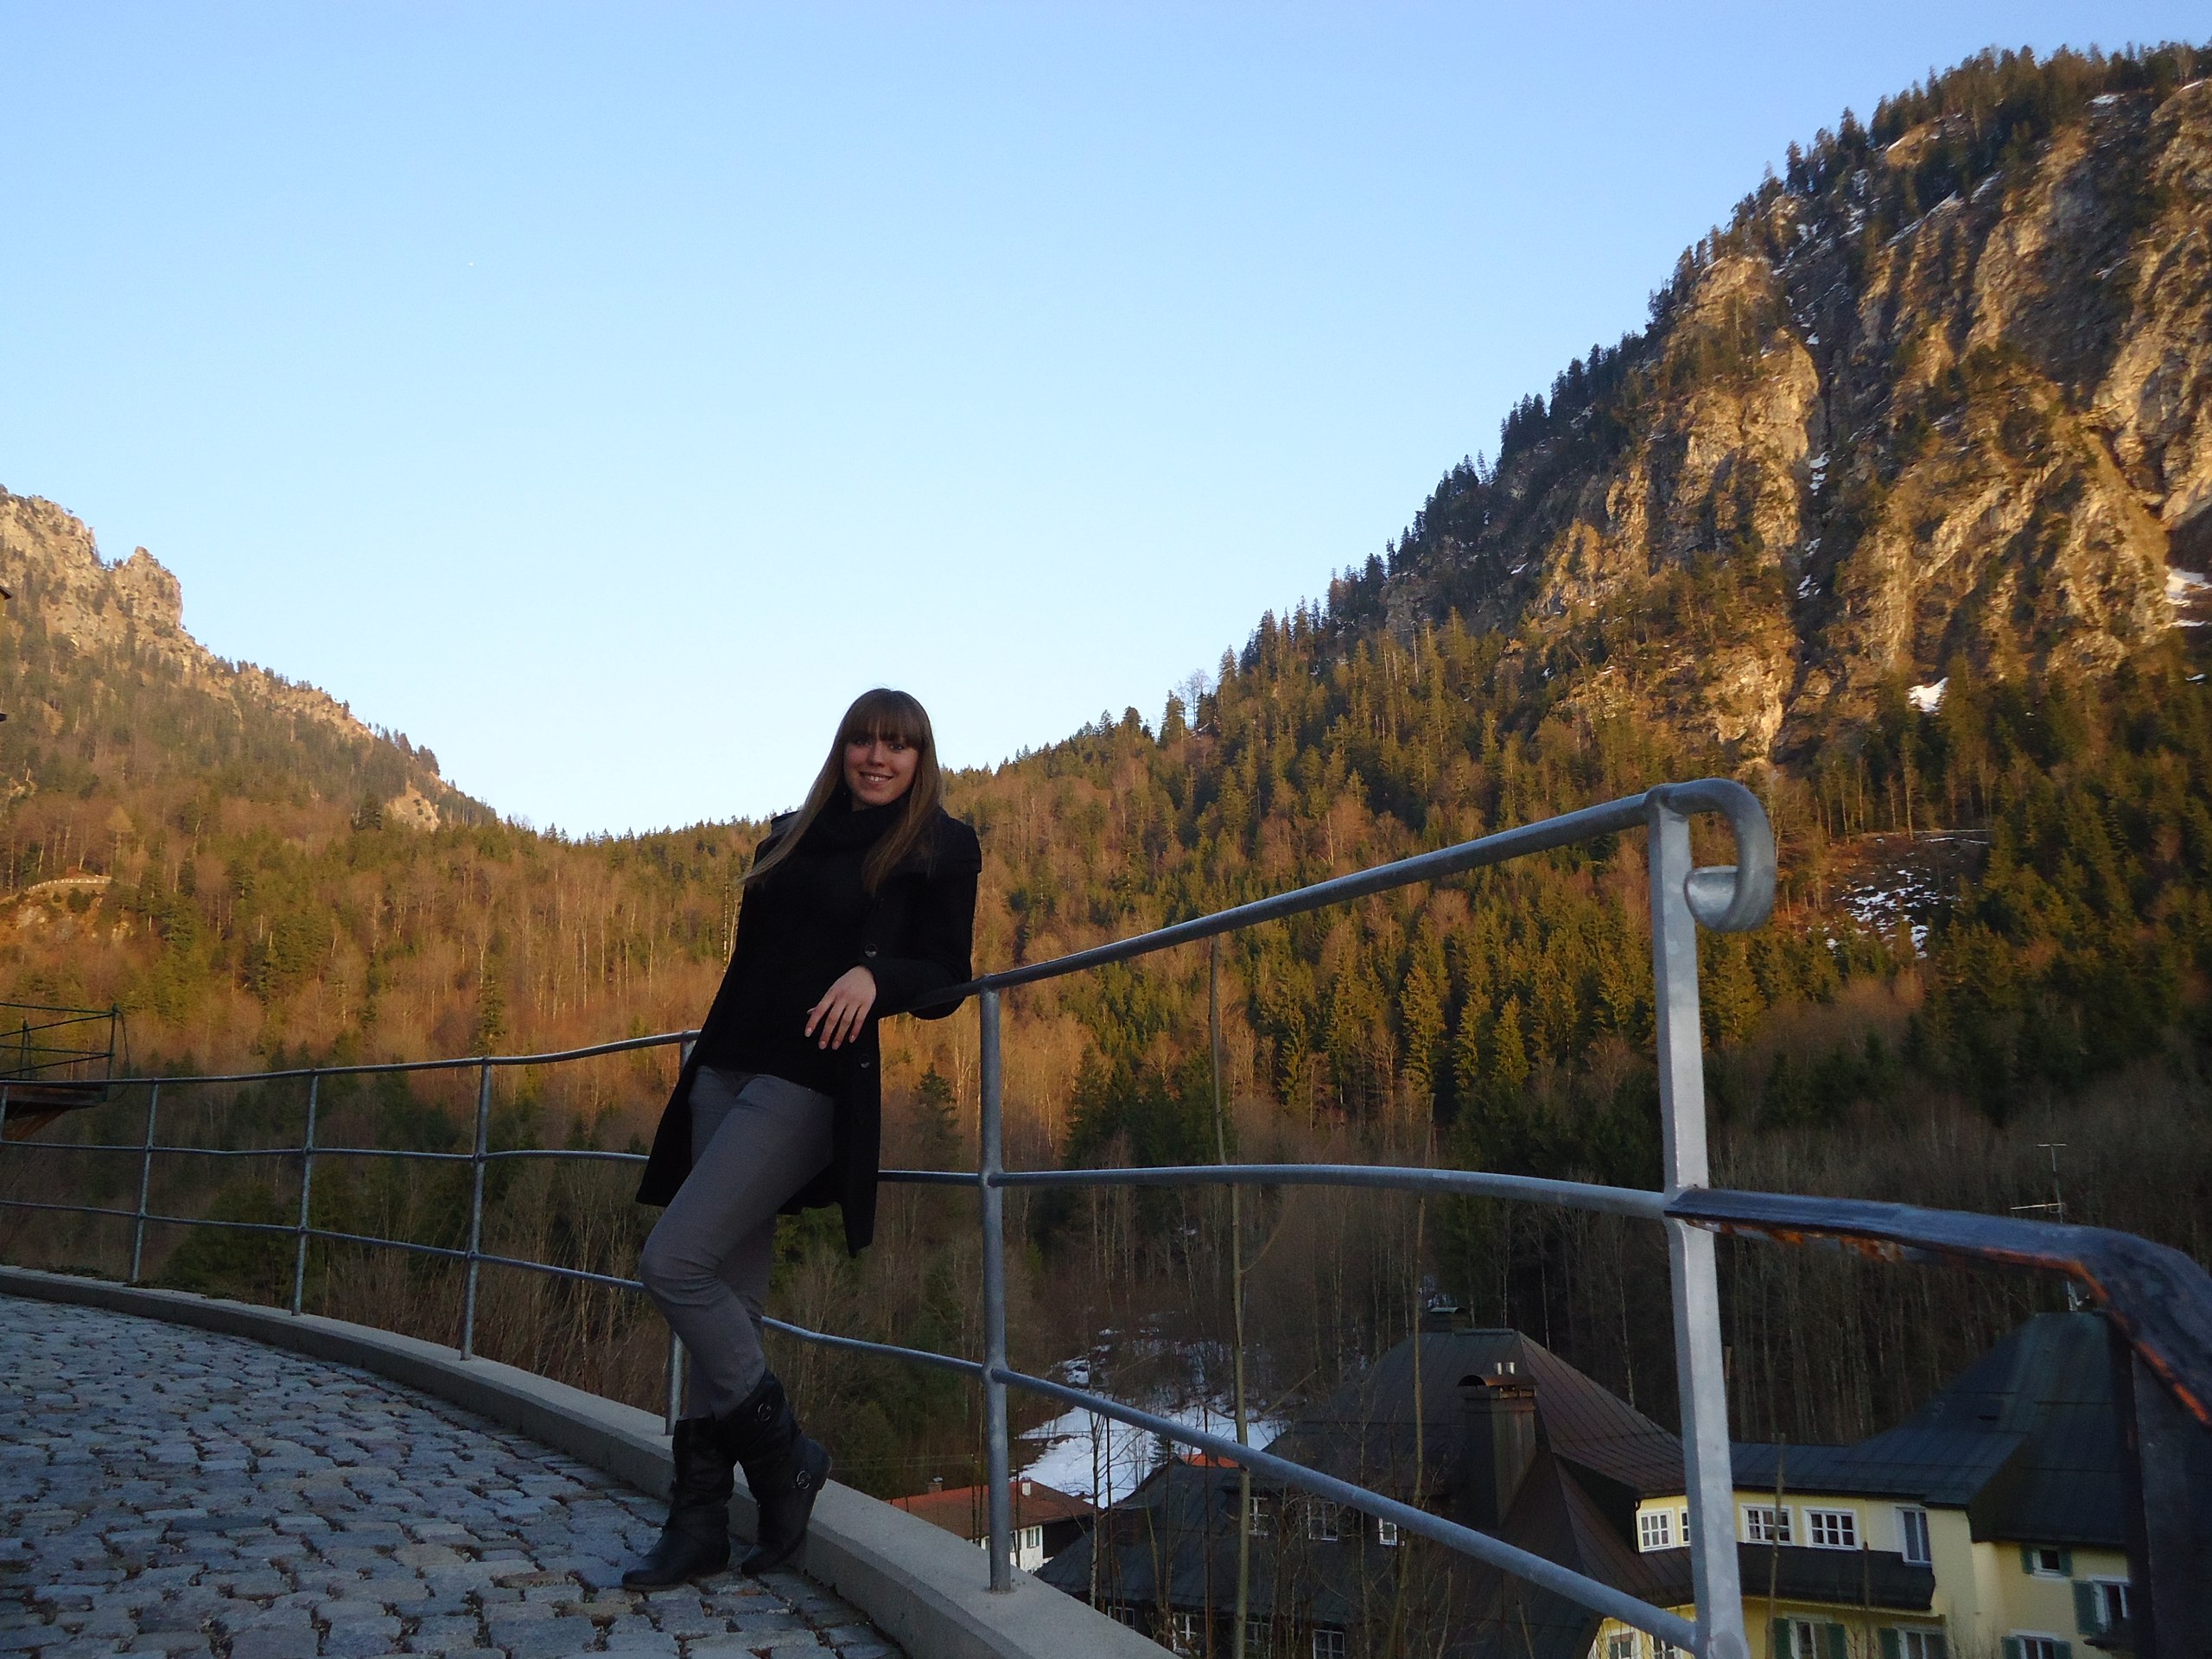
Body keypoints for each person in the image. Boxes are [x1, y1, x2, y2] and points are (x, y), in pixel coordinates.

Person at [626, 688, 982, 1587]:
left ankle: (786, 1457)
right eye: (863, 740)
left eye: (897, 745)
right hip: (725, 1069)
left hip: (807, 1081)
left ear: (920, 758)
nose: (877, 757)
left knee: (674, 1262)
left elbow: (947, 975)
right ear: (841, 749)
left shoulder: (939, 845)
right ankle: (699, 1520)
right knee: (729, 1295)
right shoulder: (787, 836)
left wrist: (874, 978)